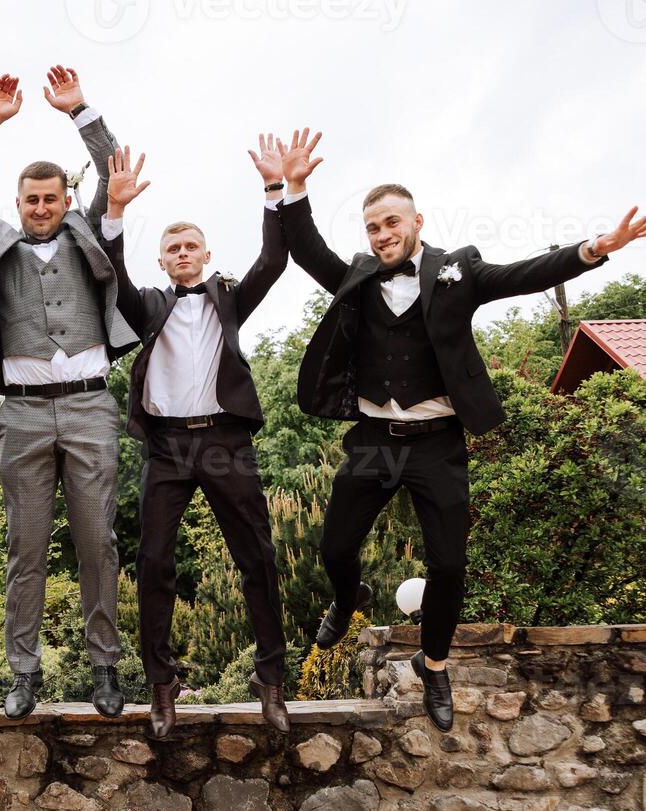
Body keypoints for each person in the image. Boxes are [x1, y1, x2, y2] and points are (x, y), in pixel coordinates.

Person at [277, 127, 646, 731]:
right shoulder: (358, 277)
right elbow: (303, 246)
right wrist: (292, 187)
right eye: (373, 228)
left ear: (416, 221)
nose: (383, 235)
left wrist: (595, 248)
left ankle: (436, 662)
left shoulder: (458, 270)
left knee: (448, 565)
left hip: (436, 441)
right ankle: (348, 601)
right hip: (374, 440)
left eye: (392, 223)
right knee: (335, 549)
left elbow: (525, 274)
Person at [0, 67, 139, 720]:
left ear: (64, 201)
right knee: (25, 550)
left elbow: (113, 168)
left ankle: (105, 668)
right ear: (20, 201)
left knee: (97, 543)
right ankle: (23, 674)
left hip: (90, 406)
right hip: (26, 414)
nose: (39, 209)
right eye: (29, 200)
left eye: (49, 200)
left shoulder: (90, 237)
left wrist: (80, 109)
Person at [98, 136, 293, 737]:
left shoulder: (229, 299)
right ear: (163, 262)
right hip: (167, 448)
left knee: (256, 557)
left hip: (226, 442)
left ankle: (271, 680)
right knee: (153, 560)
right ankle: (162, 685)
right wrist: (116, 212)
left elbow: (274, 262)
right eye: (173, 249)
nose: (182, 254)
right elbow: (110, 275)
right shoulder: (148, 304)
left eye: (191, 246)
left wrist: (273, 191)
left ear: (205, 254)